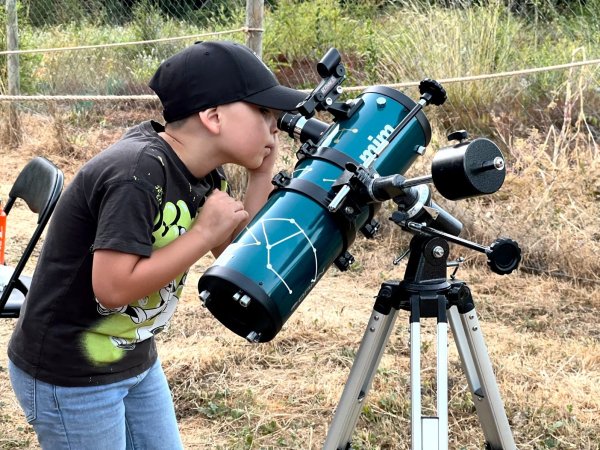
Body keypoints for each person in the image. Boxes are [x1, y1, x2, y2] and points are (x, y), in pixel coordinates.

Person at [7, 40, 306, 449]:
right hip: (70, 372)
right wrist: (202, 234)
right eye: (263, 112)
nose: (275, 127)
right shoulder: (137, 173)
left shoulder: (205, 174)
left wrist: (260, 177)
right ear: (213, 116)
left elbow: (235, 254)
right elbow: (112, 289)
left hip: (133, 357)